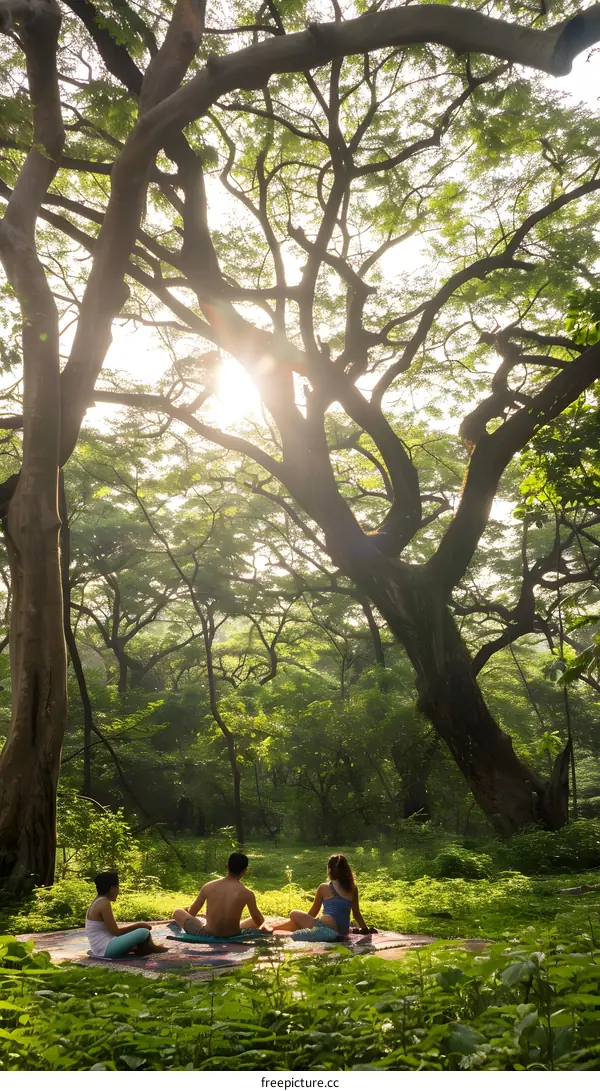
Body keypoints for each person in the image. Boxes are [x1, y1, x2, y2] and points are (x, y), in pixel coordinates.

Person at [172, 851, 272, 938]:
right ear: (245, 871)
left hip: (206, 934)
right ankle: (230, 928)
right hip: (233, 935)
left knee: (178, 912)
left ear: (226, 866)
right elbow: (259, 921)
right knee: (255, 918)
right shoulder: (247, 893)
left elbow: (192, 913)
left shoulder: (208, 886)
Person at [275, 853, 375, 936]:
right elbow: (356, 914)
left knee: (293, 914)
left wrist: (304, 921)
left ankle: (270, 929)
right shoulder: (353, 888)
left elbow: (312, 913)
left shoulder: (323, 887)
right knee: (297, 923)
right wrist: (365, 929)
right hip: (343, 930)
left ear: (329, 870)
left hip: (327, 929)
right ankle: (272, 929)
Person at [86, 871, 167, 958]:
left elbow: (113, 931)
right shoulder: (103, 902)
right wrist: (138, 926)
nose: (118, 891)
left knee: (141, 931)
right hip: (105, 949)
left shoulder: (98, 901)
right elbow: (116, 932)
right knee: (143, 932)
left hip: (101, 948)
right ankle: (144, 948)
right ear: (112, 888)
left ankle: (138, 948)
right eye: (117, 887)